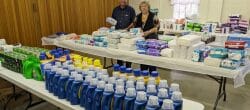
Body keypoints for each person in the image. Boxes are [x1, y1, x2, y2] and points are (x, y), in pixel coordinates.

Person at [128, 1, 160, 73]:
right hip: (142, 38)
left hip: (152, 38)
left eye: (145, 6)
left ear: (148, 7)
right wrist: (139, 30)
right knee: (143, 56)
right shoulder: (138, 16)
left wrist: (148, 32)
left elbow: (157, 27)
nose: (144, 8)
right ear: (140, 8)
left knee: (151, 57)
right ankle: (144, 72)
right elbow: (134, 25)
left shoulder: (153, 16)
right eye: (142, 6)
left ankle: (152, 72)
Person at [112, 0, 136, 68]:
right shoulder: (115, 10)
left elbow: (134, 21)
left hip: (127, 34)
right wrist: (111, 23)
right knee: (119, 50)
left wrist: (127, 28)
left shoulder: (131, 9)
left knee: (127, 51)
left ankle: (128, 66)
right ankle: (120, 65)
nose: (123, 1)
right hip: (118, 34)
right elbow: (113, 21)